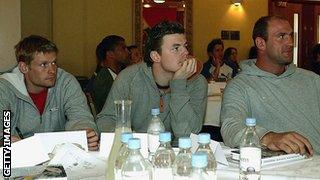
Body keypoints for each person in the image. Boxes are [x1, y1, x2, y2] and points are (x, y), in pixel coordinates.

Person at [220, 15, 320, 155]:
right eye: (281, 36)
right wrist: (268, 137)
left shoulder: (312, 80)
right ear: (261, 43)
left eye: (291, 36)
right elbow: (231, 128)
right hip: (290, 169)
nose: (290, 43)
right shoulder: (240, 86)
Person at [96, 21, 207, 140]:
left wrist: (179, 85)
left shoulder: (197, 82)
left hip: (177, 153)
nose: (185, 52)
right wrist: (126, 140)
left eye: (185, 46)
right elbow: (106, 119)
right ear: (156, 56)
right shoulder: (129, 78)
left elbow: (188, 134)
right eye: (176, 48)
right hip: (137, 148)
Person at [0, 35, 99, 150]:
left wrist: (84, 133)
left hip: (59, 156)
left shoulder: (65, 81)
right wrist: (5, 141)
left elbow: (80, 117)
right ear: (24, 67)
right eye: (44, 64)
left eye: (54, 63)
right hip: (19, 158)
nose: (52, 70)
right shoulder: (5, 88)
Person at [87, 35, 130, 113]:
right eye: (123, 48)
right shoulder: (103, 78)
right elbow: (111, 110)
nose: (128, 52)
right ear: (110, 54)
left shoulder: (119, 75)